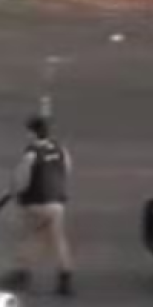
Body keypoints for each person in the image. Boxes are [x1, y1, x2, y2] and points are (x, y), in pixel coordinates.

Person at [2, 116, 75, 296]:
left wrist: (6, 197)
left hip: (36, 203)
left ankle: (21, 273)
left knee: (27, 237)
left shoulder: (31, 154)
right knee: (57, 240)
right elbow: (66, 169)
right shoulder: (61, 149)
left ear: (32, 133)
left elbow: (21, 180)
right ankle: (65, 277)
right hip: (57, 203)